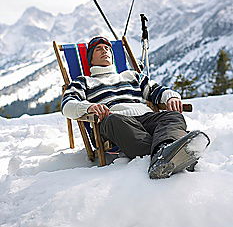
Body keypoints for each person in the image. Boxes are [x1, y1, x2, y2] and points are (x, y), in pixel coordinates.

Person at [62, 36, 210, 179]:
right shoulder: (84, 82)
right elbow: (67, 105)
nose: (104, 51)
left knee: (173, 116)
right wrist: (88, 107)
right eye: (98, 49)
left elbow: (157, 90)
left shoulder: (132, 76)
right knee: (114, 120)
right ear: (91, 59)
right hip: (116, 121)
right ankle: (173, 153)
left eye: (107, 48)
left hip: (146, 117)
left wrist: (171, 97)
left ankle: (165, 152)